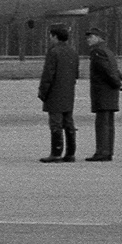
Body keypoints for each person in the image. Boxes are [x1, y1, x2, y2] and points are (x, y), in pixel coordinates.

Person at [37, 25, 79, 163]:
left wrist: (43, 91)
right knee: (68, 122)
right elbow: (76, 74)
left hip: (55, 92)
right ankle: (70, 153)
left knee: (56, 123)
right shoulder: (73, 51)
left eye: (51, 36)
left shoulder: (53, 52)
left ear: (55, 36)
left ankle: (56, 152)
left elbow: (48, 74)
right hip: (68, 91)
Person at [84, 26, 122, 162]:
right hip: (111, 92)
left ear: (98, 38)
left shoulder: (97, 52)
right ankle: (108, 151)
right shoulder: (108, 51)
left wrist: (116, 82)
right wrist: (119, 82)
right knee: (109, 123)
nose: (88, 40)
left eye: (91, 37)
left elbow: (106, 70)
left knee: (102, 124)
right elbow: (115, 70)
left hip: (103, 91)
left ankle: (101, 151)